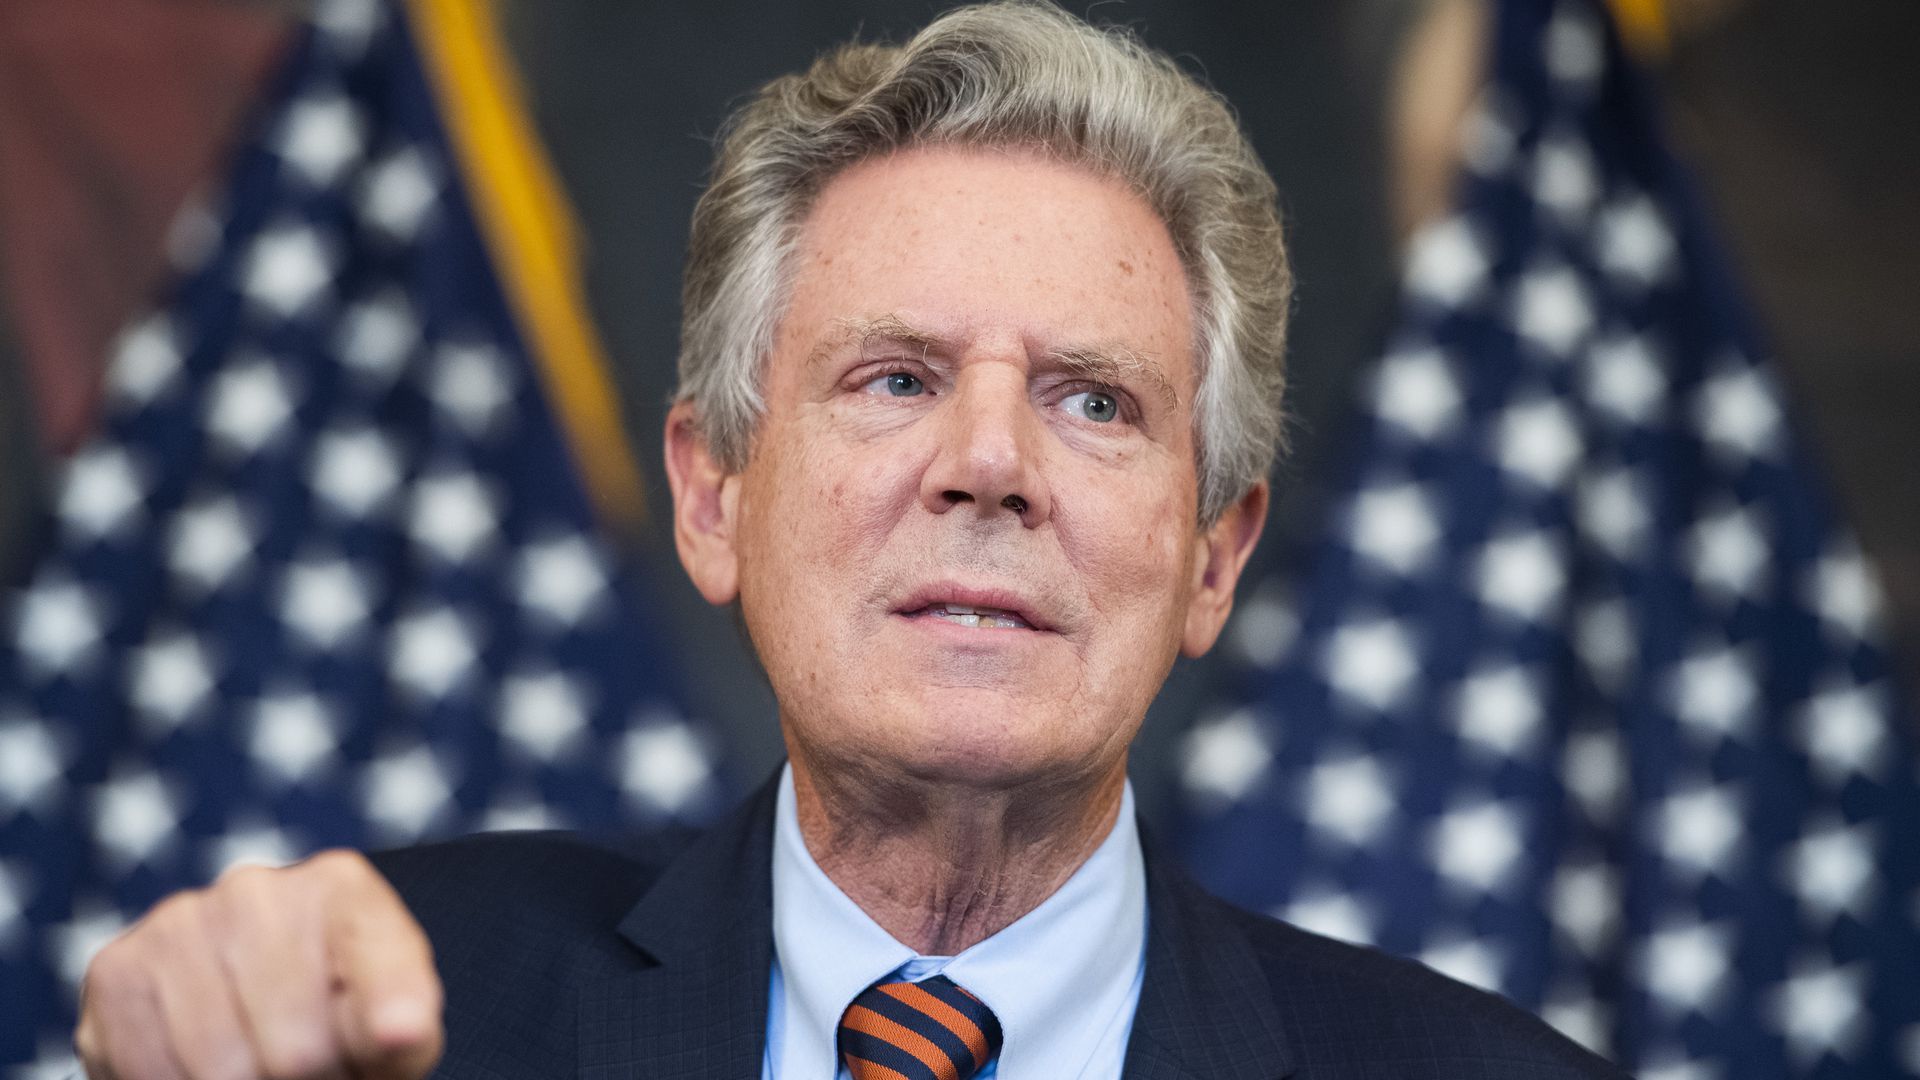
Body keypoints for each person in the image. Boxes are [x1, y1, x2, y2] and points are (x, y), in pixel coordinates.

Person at [75, 3, 1624, 1078]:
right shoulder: (401, 1011)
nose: (991, 464)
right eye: (895, 380)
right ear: (714, 496)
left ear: (1215, 557)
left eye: (1093, 402)